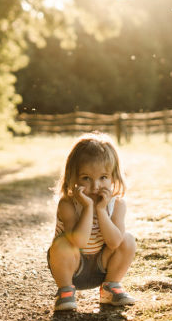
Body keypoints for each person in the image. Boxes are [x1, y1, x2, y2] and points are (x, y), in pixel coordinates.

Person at [47, 132, 137, 311]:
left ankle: (110, 287)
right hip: (73, 268)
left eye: (103, 177)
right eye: (86, 178)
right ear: (73, 177)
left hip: (101, 267)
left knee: (127, 240)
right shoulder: (68, 204)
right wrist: (88, 208)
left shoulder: (116, 204)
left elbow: (114, 242)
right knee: (62, 243)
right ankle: (65, 292)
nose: (95, 186)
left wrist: (101, 211)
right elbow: (78, 241)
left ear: (113, 176)